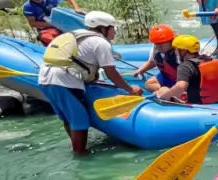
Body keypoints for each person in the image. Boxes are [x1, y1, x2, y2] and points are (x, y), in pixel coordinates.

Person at [37, 11, 143, 156]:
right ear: (103, 28)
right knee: (80, 120)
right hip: (64, 80)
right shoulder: (100, 42)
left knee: (68, 118)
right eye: (112, 28)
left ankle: (75, 147)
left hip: (45, 78)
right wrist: (130, 89)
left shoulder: (75, 34)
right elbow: (111, 72)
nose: (114, 31)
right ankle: (80, 154)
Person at [154, 35, 218, 105]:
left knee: (163, 90)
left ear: (183, 51)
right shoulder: (210, 60)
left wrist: (165, 96)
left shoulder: (185, 66)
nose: (175, 53)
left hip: (197, 103)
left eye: (176, 50)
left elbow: (180, 87)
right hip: (217, 99)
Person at [131, 24, 179, 93]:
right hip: (167, 76)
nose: (158, 46)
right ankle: (167, 91)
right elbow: (152, 62)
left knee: (164, 90)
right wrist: (140, 71)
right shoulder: (156, 48)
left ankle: (169, 92)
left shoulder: (179, 51)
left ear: (171, 41)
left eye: (162, 43)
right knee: (149, 84)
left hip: (181, 79)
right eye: (156, 43)